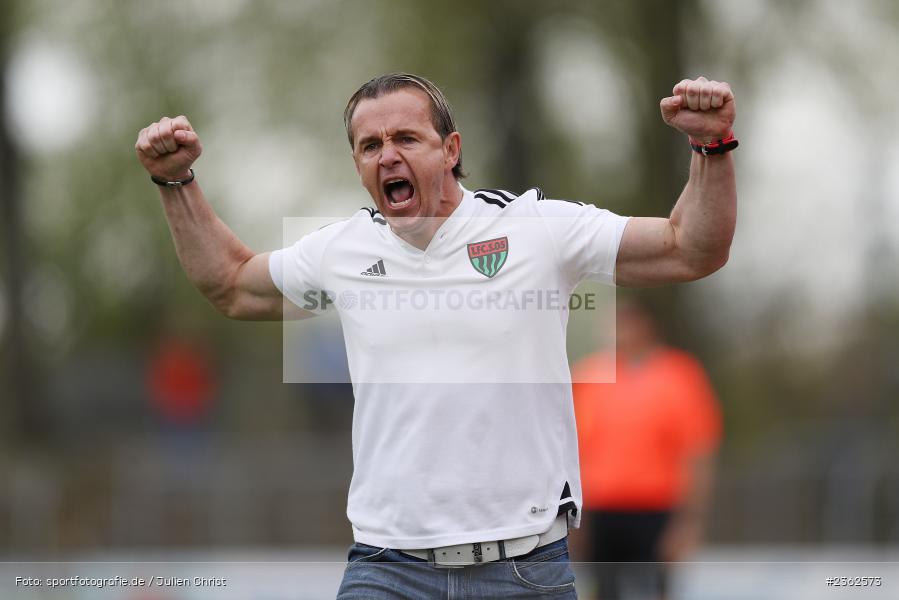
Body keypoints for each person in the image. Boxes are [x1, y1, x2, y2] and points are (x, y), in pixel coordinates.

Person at [135, 72, 737, 599]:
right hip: (385, 568)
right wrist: (175, 182)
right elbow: (232, 284)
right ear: (356, 165)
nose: (387, 155)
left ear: (450, 149)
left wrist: (712, 145)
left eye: (405, 138)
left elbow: (692, 247)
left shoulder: (537, 229)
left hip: (523, 570)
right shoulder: (342, 250)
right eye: (369, 144)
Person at [572, 298, 722, 600]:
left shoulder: (680, 375)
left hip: (656, 509)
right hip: (601, 511)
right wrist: (573, 520)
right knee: (602, 591)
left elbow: (699, 452)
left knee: (655, 590)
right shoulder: (586, 376)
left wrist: (689, 522)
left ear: (645, 325)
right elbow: (570, 451)